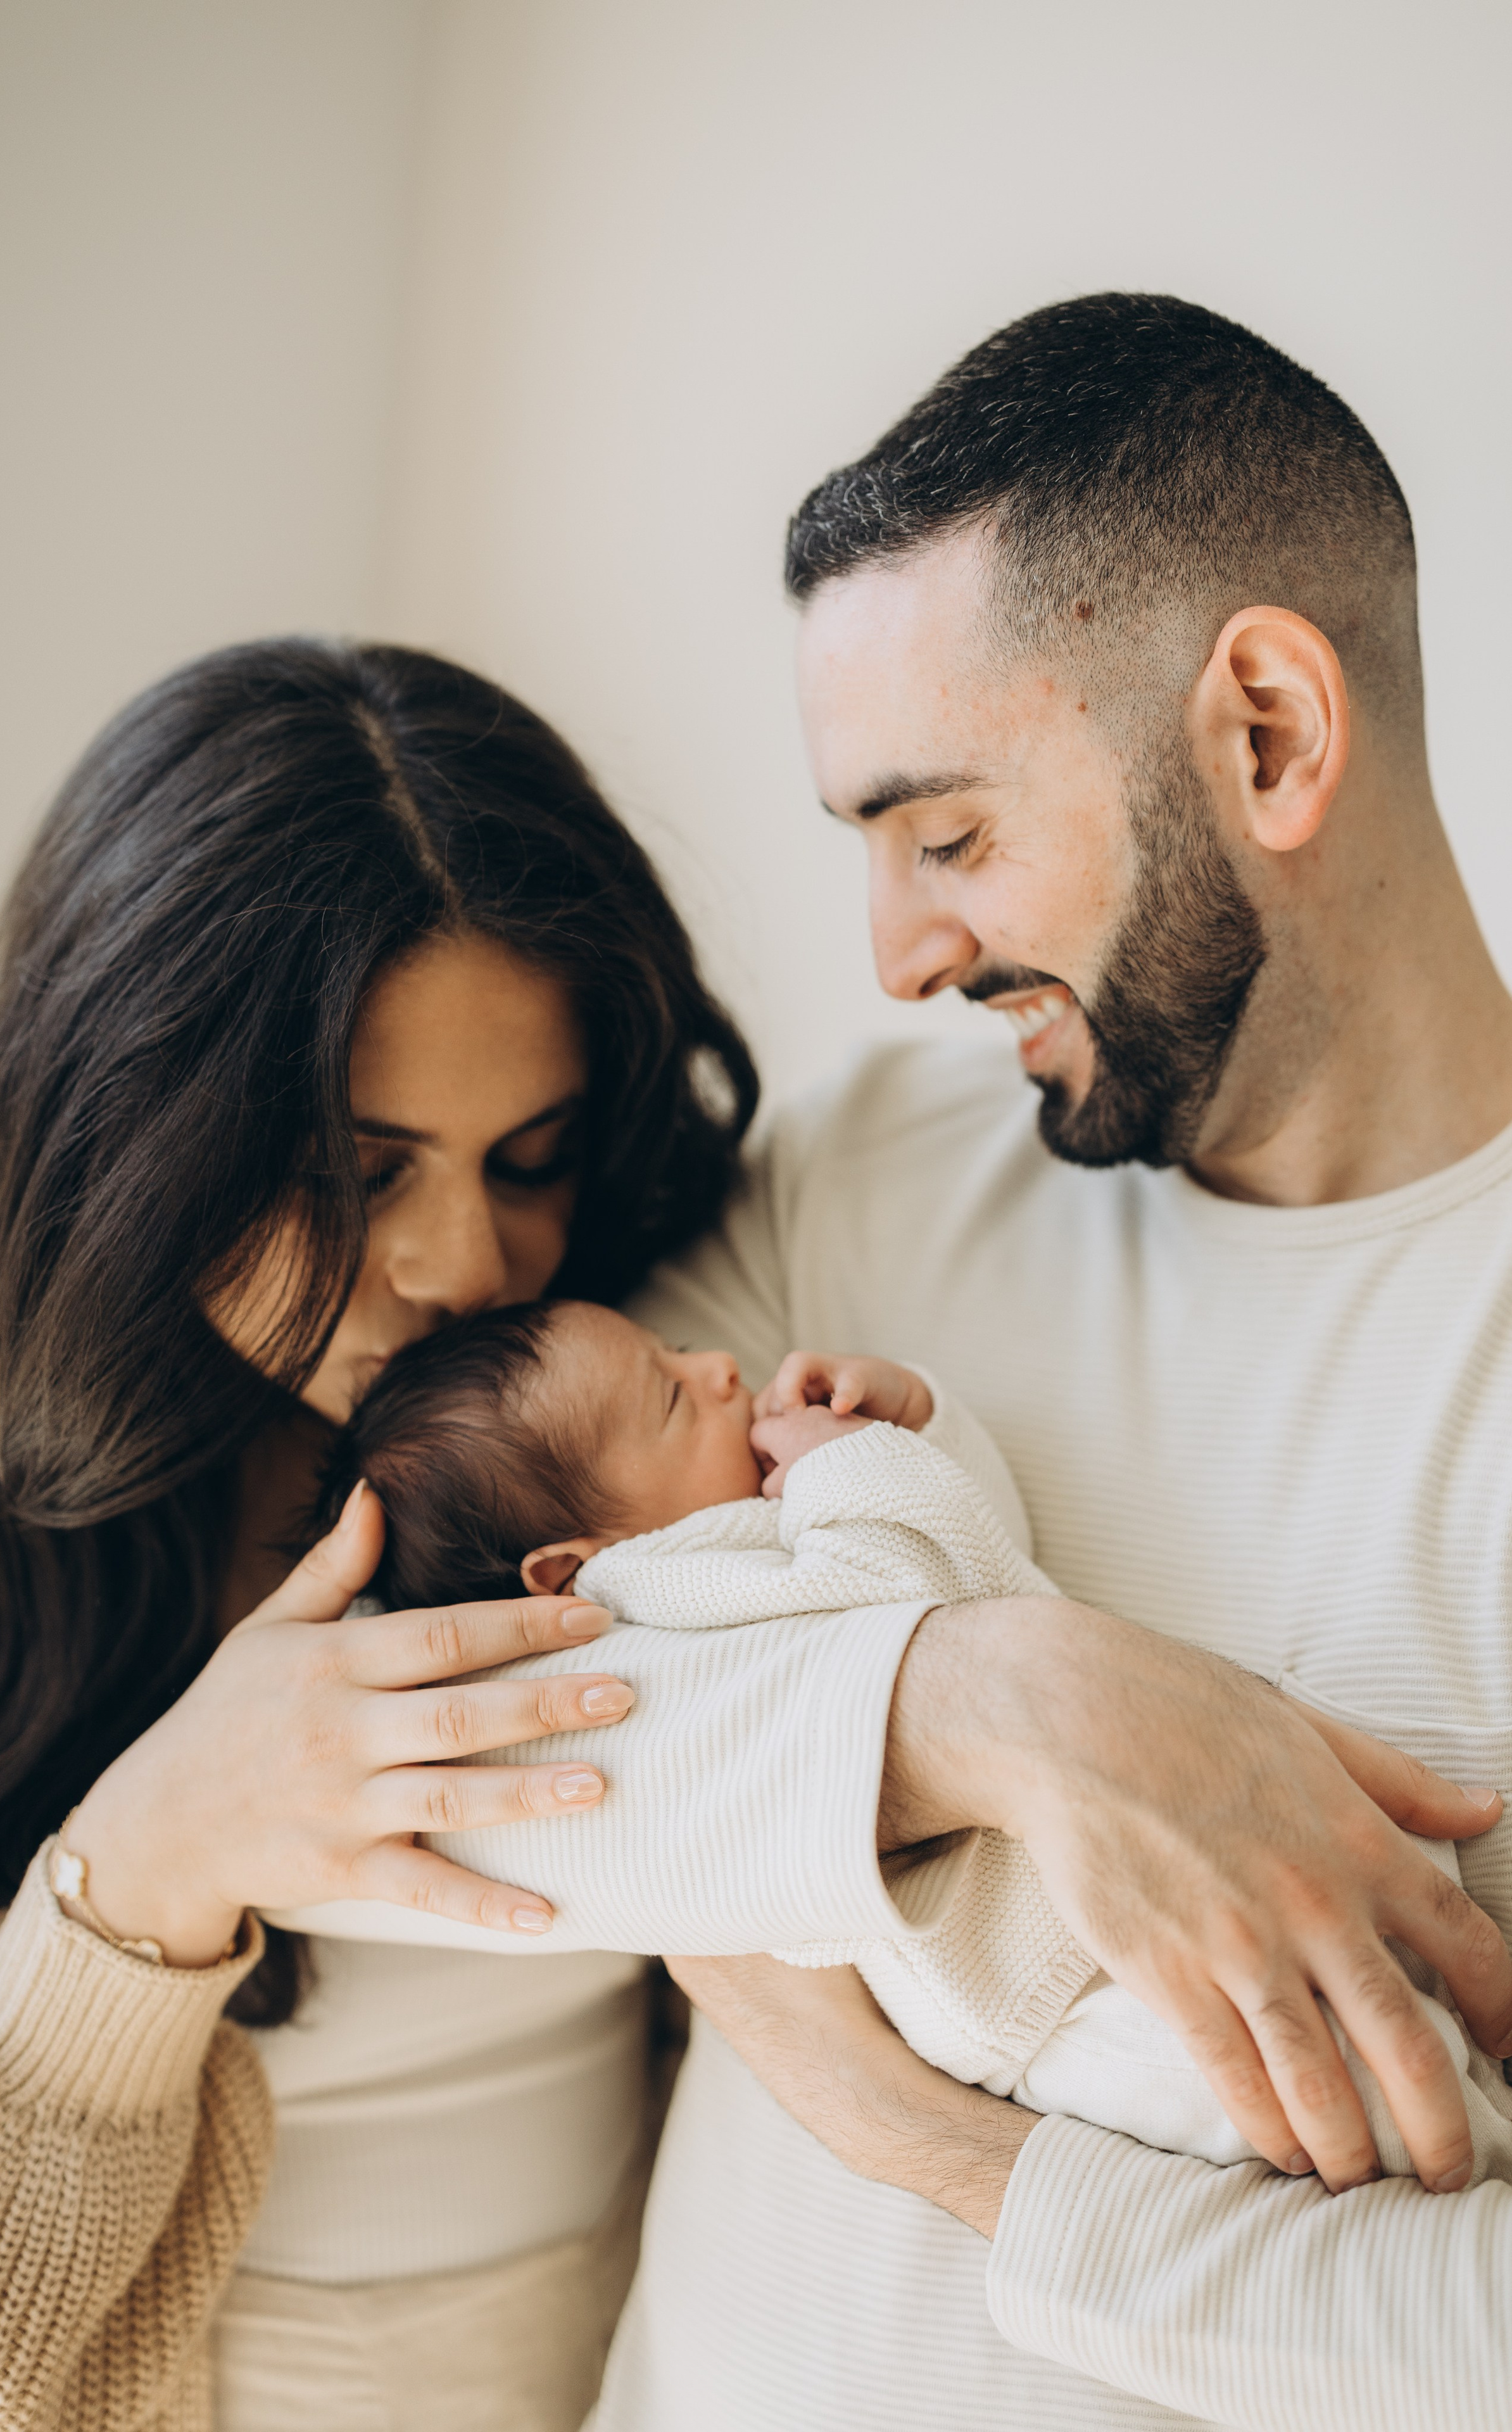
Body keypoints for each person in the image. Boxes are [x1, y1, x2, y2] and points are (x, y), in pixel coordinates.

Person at [577, 291, 1512, 2431]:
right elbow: (490, 1668)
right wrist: (989, 1702)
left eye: (952, 836)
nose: (899, 959)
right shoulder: (866, 1176)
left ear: (1267, 732)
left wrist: (946, 2156)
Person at [0, 637, 767, 2432]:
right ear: (131, 1129)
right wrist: (143, 1871)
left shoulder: (629, 1361)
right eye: (358, 1175)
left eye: (528, 1157)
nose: (466, 1267)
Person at [322, 1300, 1512, 2186]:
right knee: (1369, 2110)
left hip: (1103, 1919)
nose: (720, 1366)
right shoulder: (668, 1596)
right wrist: (861, 1468)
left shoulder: (749, 1535)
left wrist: (914, 1424)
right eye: (672, 1396)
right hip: (1053, 1991)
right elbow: (918, 1597)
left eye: (679, 1351)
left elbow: (987, 1556)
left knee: (1374, 2002)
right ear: (568, 1567)